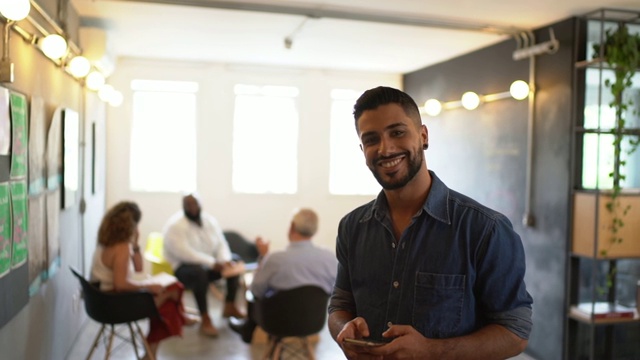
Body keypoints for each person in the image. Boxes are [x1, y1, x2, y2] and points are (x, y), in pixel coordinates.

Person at [328, 86, 534, 359]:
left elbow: (515, 332)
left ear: (423, 136)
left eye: (397, 132)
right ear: (362, 149)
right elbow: (340, 305)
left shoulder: (485, 229)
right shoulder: (352, 227)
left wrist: (430, 351)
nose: (385, 148)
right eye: (371, 139)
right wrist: (344, 329)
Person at [90, 201, 192, 360]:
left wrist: (136, 244)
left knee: (171, 291)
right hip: (114, 304)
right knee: (173, 293)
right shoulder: (121, 247)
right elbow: (120, 284)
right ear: (131, 225)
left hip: (102, 301)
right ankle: (178, 319)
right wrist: (148, 286)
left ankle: (152, 352)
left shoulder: (107, 242)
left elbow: (138, 268)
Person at [229, 208, 338, 343]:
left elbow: (255, 290)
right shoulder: (329, 257)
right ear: (315, 230)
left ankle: (247, 328)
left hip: (277, 323)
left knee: (254, 295)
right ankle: (247, 328)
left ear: (292, 226)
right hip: (314, 323)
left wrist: (264, 257)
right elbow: (336, 291)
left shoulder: (275, 259)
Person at [163, 193, 246, 337]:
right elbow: (185, 253)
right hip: (184, 268)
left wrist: (224, 260)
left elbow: (221, 243)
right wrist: (212, 262)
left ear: (200, 204)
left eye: (195, 204)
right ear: (183, 206)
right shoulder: (175, 226)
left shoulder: (209, 221)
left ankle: (230, 305)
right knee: (199, 273)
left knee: (235, 261)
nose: (192, 208)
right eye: (188, 205)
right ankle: (205, 317)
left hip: (210, 264)